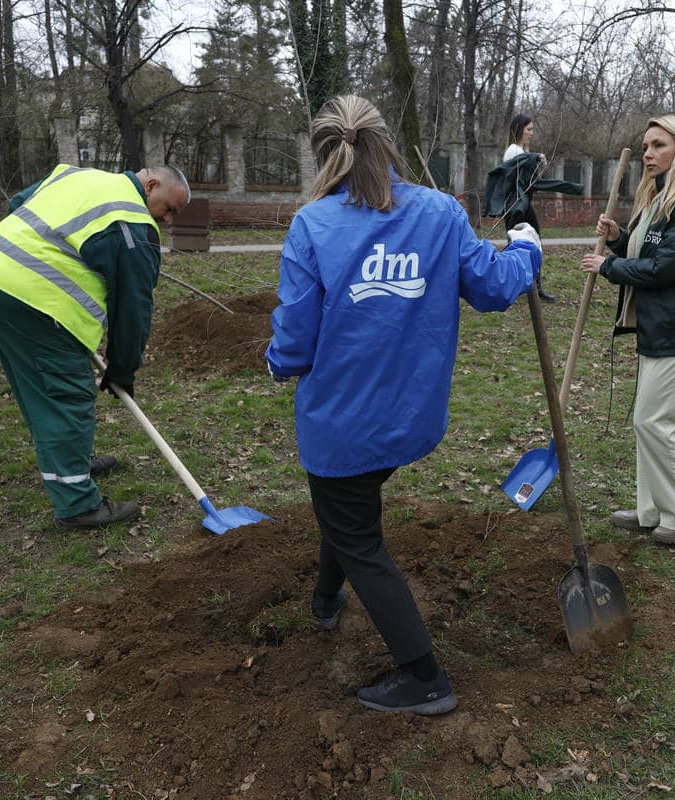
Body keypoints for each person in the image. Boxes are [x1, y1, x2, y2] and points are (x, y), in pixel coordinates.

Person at [265, 95, 541, 715]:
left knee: (356, 532)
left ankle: (424, 677)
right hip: (410, 420)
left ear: (324, 155)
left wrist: (275, 362)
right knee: (346, 509)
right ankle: (325, 599)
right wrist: (527, 247)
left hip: (342, 424)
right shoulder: (440, 212)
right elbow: (495, 287)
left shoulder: (312, 226)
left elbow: (295, 345)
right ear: (386, 145)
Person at [0, 164, 190, 529]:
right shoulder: (133, 225)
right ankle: (77, 505)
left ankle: (71, 462)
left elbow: (18, 203)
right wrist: (123, 369)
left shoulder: (77, 175)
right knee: (66, 394)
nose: (167, 220)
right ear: (151, 185)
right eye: (169, 209)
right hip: (31, 299)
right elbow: (132, 311)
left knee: (39, 388)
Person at [579, 114, 675, 546]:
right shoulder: (662, 199)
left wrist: (609, 266)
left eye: (659, 145)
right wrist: (622, 237)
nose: (647, 154)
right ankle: (654, 509)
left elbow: (663, 268)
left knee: (658, 423)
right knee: (649, 422)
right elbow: (650, 249)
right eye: (645, 146)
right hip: (658, 327)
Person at [498, 113, 557, 302]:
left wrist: (538, 160)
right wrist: (535, 157)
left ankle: (533, 286)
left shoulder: (520, 151)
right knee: (519, 243)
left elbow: (530, 180)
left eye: (532, 129)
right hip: (515, 205)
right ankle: (509, 284)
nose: (532, 133)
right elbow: (515, 177)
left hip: (521, 203)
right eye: (529, 129)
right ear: (519, 130)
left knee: (528, 241)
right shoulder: (513, 150)